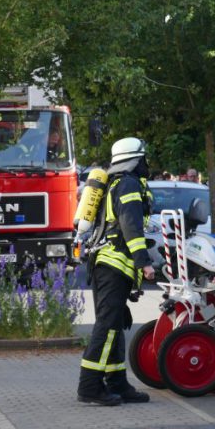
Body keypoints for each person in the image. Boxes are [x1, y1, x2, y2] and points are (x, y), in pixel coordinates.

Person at [78, 137, 156, 406]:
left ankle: (117, 383)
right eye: (144, 159)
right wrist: (143, 261)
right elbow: (130, 225)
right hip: (114, 265)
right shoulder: (129, 184)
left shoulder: (114, 183)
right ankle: (89, 387)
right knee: (107, 326)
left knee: (115, 324)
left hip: (105, 264)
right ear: (136, 160)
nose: (147, 164)